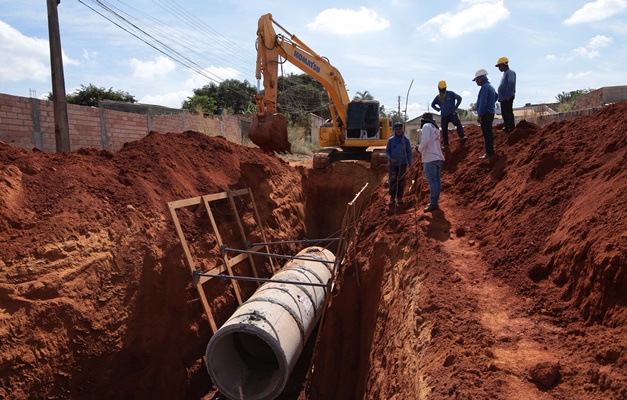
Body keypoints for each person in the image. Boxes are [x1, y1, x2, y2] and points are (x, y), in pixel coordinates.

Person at [417, 113, 445, 212]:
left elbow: (425, 140)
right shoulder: (436, 128)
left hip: (430, 158)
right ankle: (435, 201)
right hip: (438, 157)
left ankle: (433, 203)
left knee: (432, 181)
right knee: (437, 181)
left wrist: (419, 149)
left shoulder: (426, 126)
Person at [431, 80, 467, 149]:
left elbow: (459, 98)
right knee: (444, 130)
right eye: (441, 89)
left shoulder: (450, 93)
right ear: (439, 88)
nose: (442, 90)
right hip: (444, 116)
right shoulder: (438, 97)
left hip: (452, 114)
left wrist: (455, 107)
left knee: (458, 124)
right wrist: (438, 109)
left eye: (443, 88)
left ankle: (462, 136)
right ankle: (446, 144)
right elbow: (432, 104)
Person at [385, 122, 413, 205]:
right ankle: (392, 198)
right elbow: (387, 151)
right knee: (392, 180)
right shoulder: (391, 140)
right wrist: (390, 158)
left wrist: (410, 163)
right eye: (396, 129)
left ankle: (399, 197)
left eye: (400, 129)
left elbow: (409, 152)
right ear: (394, 130)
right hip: (392, 165)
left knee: (401, 180)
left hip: (402, 164)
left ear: (402, 129)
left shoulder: (406, 140)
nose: (398, 131)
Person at [472, 69, 497, 159]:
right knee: (488, 133)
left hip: (486, 114)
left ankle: (489, 152)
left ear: (482, 78)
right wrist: (491, 104)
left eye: (477, 80)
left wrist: (480, 115)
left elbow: (482, 102)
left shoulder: (484, 88)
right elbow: (496, 96)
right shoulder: (490, 87)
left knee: (487, 134)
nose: (476, 82)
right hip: (490, 112)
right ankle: (490, 151)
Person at [495, 57, 517, 132]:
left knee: (508, 112)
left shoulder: (510, 73)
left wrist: (508, 95)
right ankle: (507, 126)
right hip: (503, 98)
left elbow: (511, 83)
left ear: (505, 64)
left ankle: (511, 127)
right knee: (504, 113)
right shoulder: (505, 74)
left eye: (500, 66)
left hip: (507, 97)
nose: (499, 68)